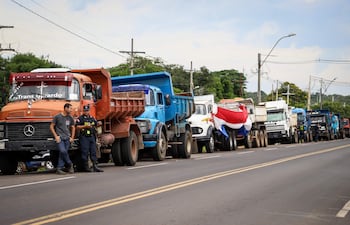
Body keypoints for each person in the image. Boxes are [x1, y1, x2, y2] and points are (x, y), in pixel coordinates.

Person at [76, 104, 103, 172]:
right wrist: (85, 127)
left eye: (87, 110)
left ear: (89, 111)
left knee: (93, 151)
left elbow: (96, 124)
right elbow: (77, 127)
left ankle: (95, 166)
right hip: (84, 137)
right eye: (85, 111)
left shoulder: (92, 118)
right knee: (85, 152)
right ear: (83, 111)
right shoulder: (80, 118)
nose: (86, 112)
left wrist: (99, 123)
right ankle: (86, 167)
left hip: (91, 136)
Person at [50, 103, 76, 174]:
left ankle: (59, 168)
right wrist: (56, 136)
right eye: (70, 108)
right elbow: (51, 126)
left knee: (63, 153)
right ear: (65, 108)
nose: (71, 110)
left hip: (67, 138)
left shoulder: (70, 117)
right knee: (63, 151)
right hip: (60, 138)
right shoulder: (57, 117)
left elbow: (73, 127)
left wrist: (72, 137)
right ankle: (70, 164)